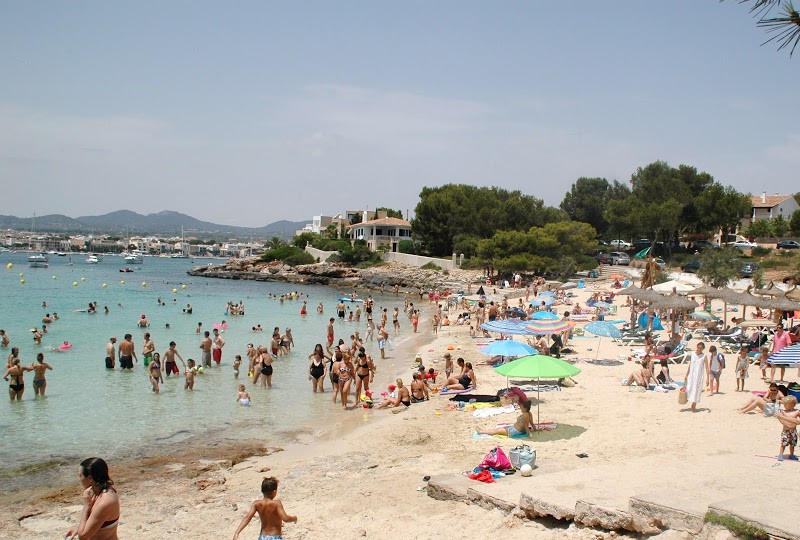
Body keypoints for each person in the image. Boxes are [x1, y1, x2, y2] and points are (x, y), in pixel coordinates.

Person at [65, 457, 120, 540]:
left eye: (80, 476)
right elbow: (98, 520)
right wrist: (78, 528)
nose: (79, 479)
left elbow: (83, 536)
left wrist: (86, 506)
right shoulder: (102, 490)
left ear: (90, 478)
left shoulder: (104, 501)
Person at [232, 476, 296, 540]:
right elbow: (286, 519)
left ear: (262, 490)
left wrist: (237, 532)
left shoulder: (256, 503)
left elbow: (247, 518)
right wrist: (294, 518)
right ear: (274, 491)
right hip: (275, 537)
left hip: (262, 537)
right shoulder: (276, 503)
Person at [683, 342, 709, 412]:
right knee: (688, 388)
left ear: (702, 349)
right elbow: (690, 365)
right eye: (698, 347)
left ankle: (694, 404)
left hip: (699, 376)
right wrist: (686, 374)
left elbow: (707, 367)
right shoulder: (693, 354)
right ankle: (687, 400)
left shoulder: (704, 356)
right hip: (692, 375)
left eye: (701, 348)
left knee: (696, 390)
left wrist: (708, 379)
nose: (699, 349)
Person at [776, 395, 799, 461]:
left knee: (793, 444)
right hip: (785, 430)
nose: (784, 405)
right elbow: (781, 419)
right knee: (783, 443)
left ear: (792, 405)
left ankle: (791, 454)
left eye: (786, 404)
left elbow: (798, 421)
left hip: (793, 430)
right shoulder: (783, 412)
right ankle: (781, 454)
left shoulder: (797, 411)